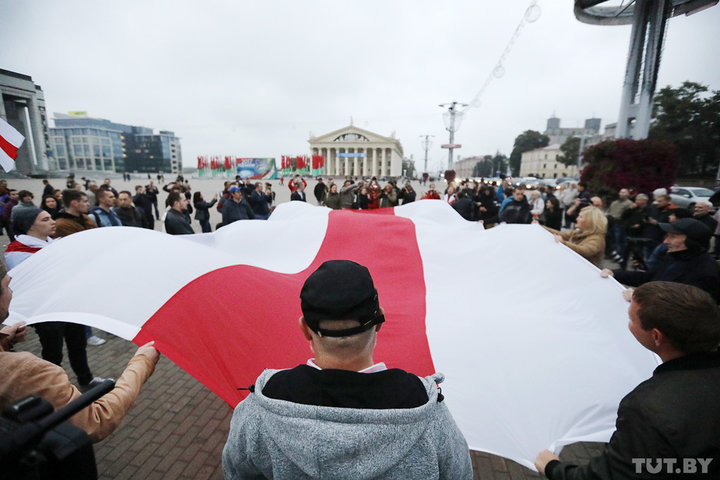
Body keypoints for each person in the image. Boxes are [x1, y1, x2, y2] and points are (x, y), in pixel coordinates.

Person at [222, 260, 472, 480]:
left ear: (305, 328)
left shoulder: (259, 411)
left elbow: (235, 472)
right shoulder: (428, 415)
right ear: (379, 322)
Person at [535, 281, 720, 479]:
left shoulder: (648, 409)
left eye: (631, 319)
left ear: (656, 336)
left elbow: (613, 475)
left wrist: (553, 468)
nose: (627, 324)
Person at [0, 270, 160, 442]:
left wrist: (3, 340)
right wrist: (142, 363)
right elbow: (95, 421)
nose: (12, 292)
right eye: (7, 286)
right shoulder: (26, 370)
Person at [602, 217, 720, 302]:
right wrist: (615, 273)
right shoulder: (673, 256)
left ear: (692, 242)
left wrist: (642, 298)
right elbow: (650, 278)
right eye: (667, 236)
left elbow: (684, 306)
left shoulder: (706, 272)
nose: (665, 241)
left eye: (672, 237)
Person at [542, 206, 607, 267]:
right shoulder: (580, 232)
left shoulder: (597, 238)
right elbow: (562, 234)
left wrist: (564, 243)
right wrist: (542, 227)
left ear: (590, 221)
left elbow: (584, 251)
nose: (577, 219)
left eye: (580, 217)